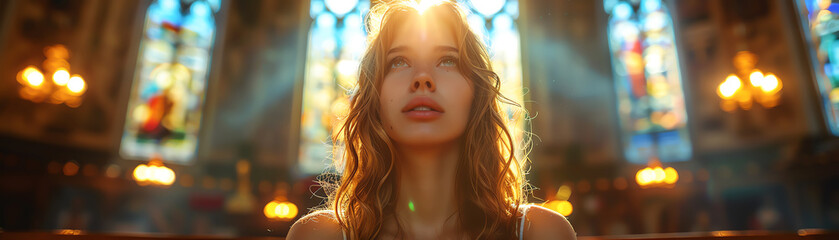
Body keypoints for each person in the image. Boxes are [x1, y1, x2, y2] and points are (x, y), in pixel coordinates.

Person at [288, 0, 576, 239]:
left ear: (477, 93)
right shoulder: (318, 235)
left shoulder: (541, 233)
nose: (422, 78)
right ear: (374, 97)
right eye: (398, 61)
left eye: (447, 60)